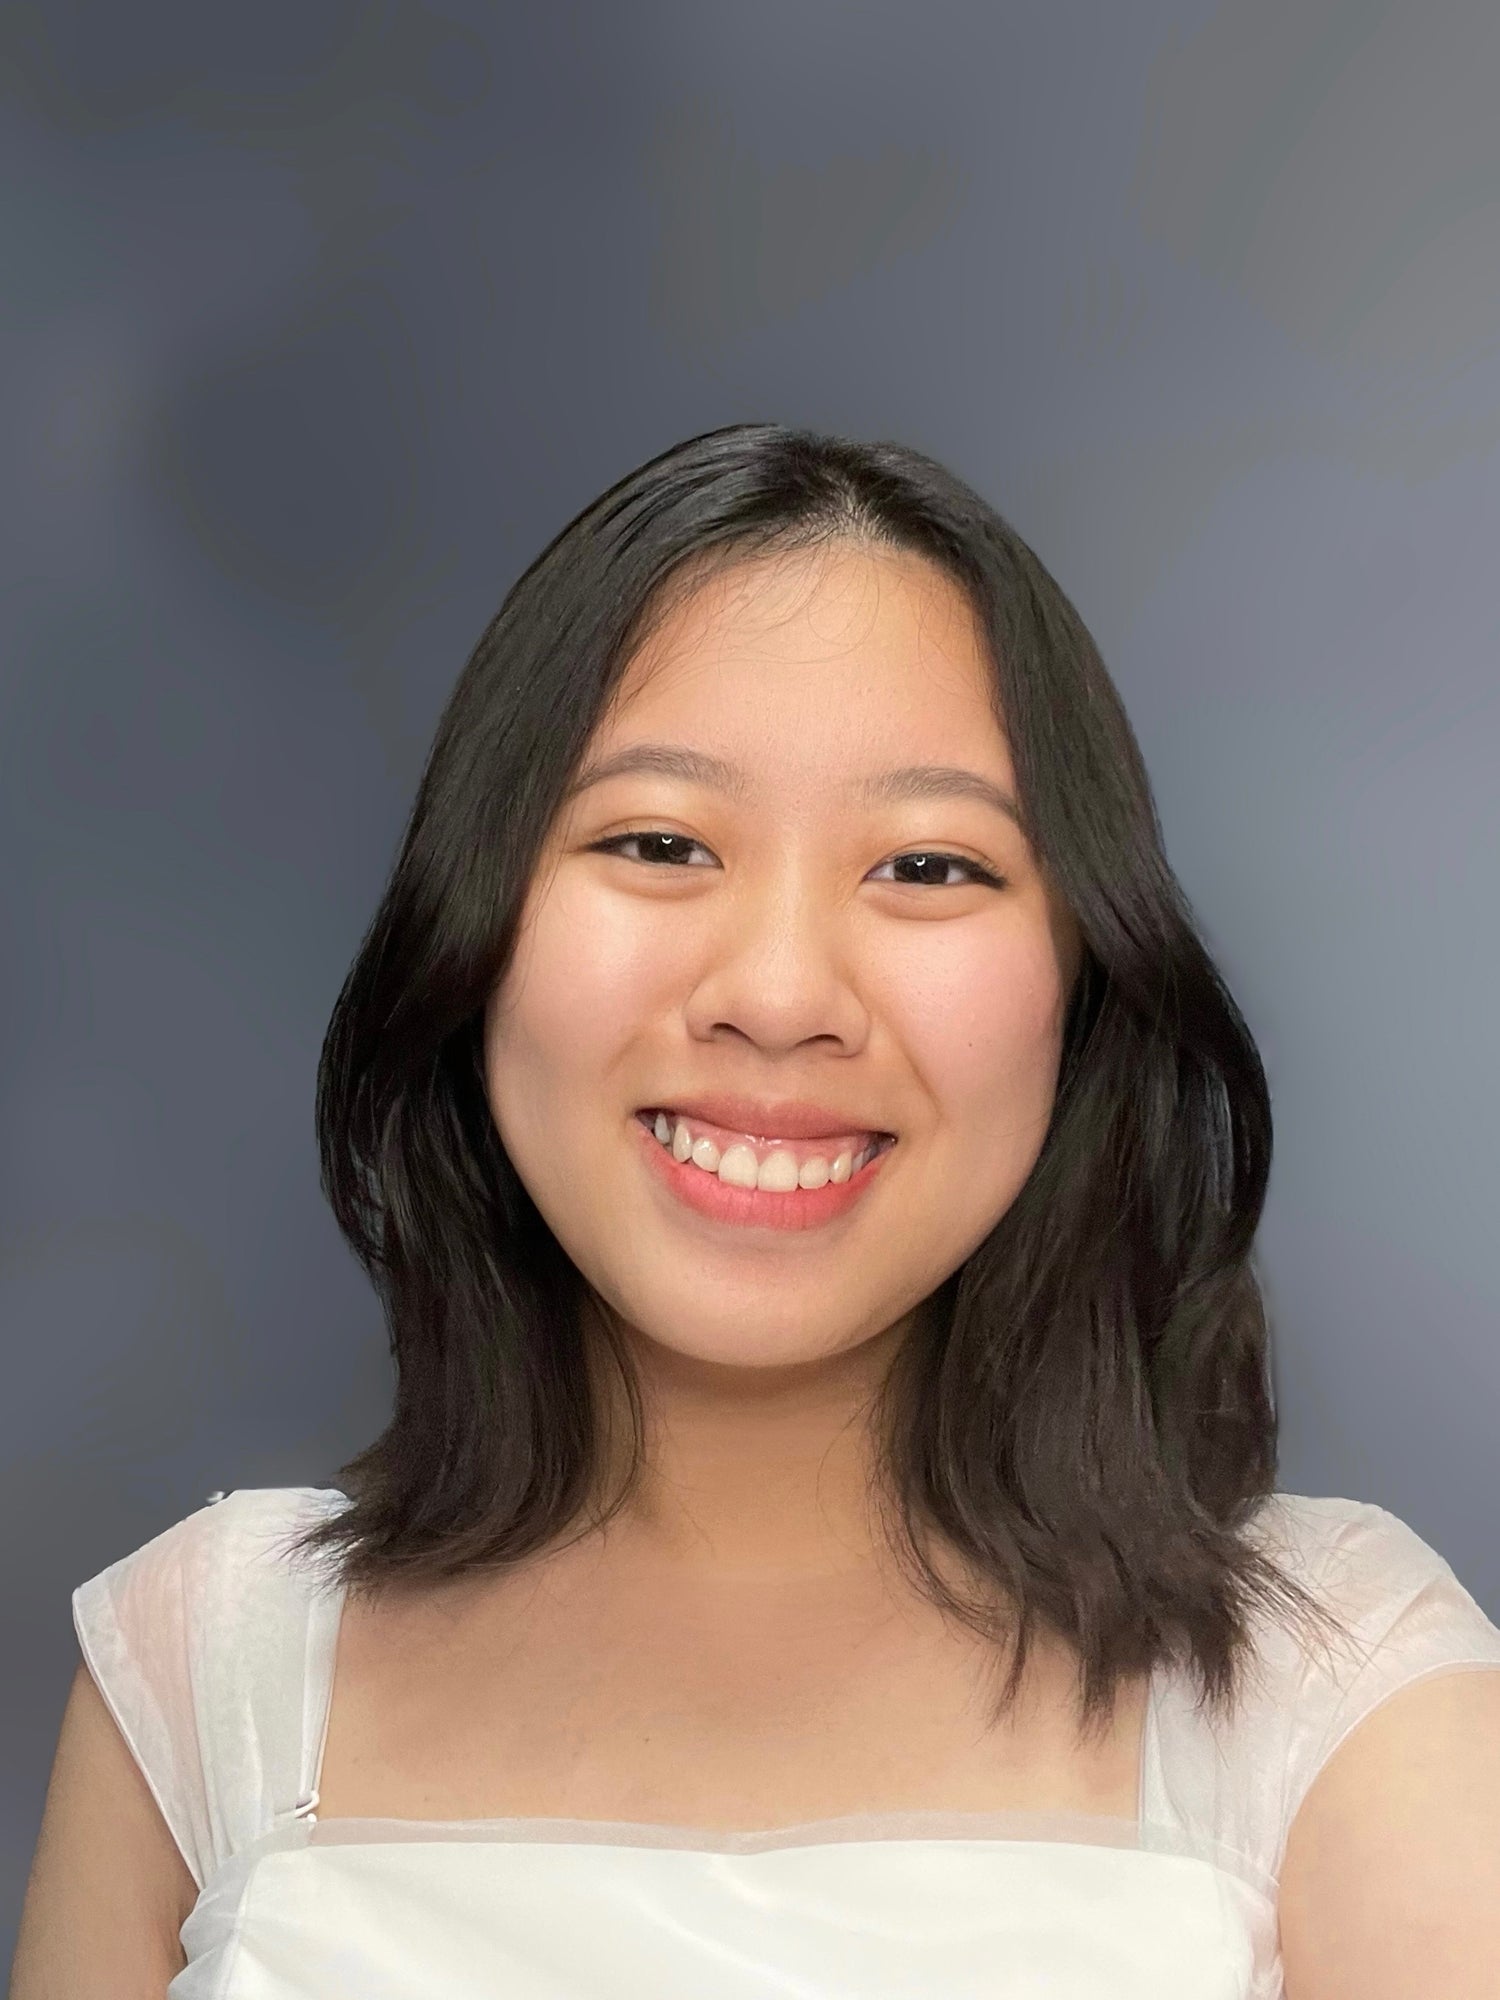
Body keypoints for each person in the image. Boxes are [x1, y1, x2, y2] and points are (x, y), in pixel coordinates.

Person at [13, 423, 1500, 1998]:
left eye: (929, 865)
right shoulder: (207, 1667)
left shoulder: (1338, 1692)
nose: (781, 995)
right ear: (476, 928)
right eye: (658, 842)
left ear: (1086, 978)